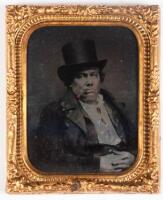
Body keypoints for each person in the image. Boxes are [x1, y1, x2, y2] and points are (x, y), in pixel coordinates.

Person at [32, 39, 137, 173]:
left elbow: (137, 141)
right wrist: (95, 165)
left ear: (100, 78)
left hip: (125, 171)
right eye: (81, 76)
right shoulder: (55, 112)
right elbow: (49, 155)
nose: (89, 82)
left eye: (93, 75)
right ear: (70, 82)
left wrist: (132, 156)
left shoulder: (115, 105)